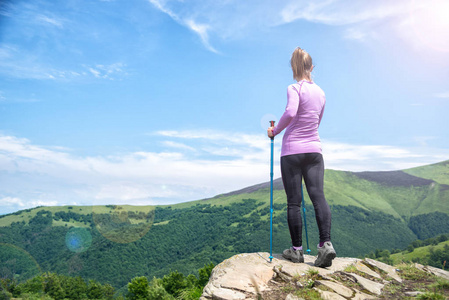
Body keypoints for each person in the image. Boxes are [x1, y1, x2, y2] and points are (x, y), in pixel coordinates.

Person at [267, 47, 336, 268]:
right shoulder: (322, 92)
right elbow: (317, 120)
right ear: (311, 67)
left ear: (293, 67)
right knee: (319, 197)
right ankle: (325, 245)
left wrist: (275, 130)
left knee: (294, 202)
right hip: (314, 150)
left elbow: (291, 112)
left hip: (292, 150)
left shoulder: (294, 88)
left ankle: (296, 251)